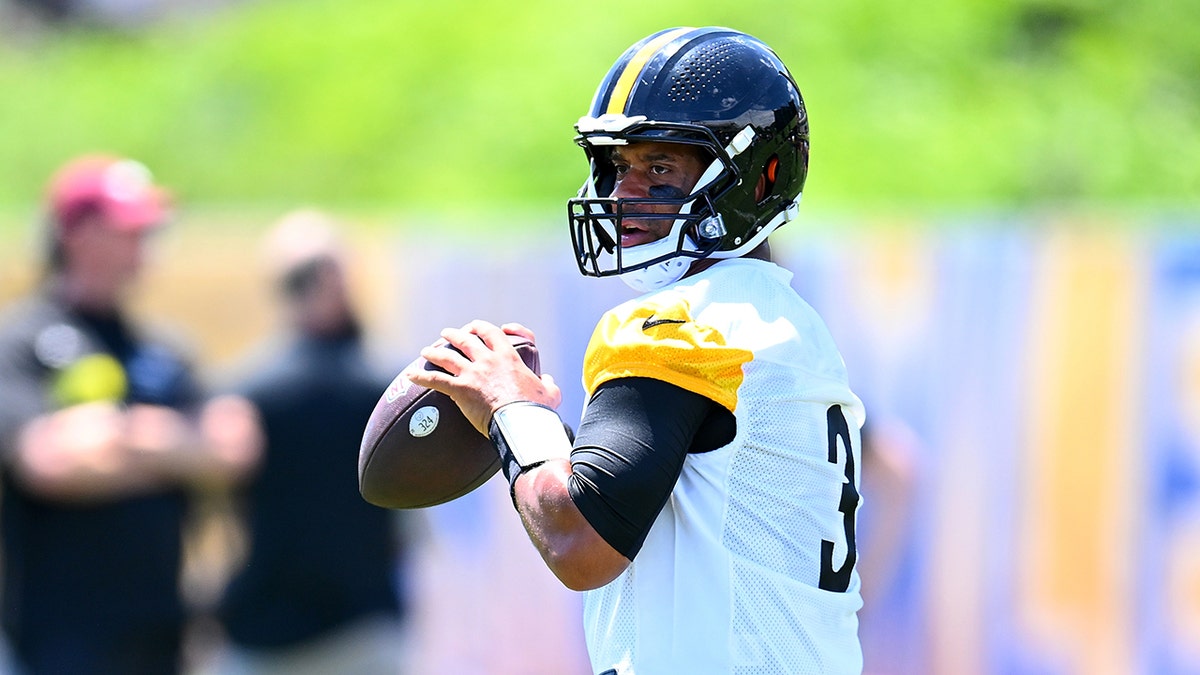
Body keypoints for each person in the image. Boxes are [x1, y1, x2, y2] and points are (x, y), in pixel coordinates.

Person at [407, 26, 866, 674]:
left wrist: (511, 411)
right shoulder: (793, 328)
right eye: (620, 167)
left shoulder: (679, 323)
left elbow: (580, 542)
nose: (622, 195)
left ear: (757, 177)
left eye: (658, 168)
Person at [0, 153, 261, 674]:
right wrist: (175, 443)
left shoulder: (164, 348)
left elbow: (232, 449)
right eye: (127, 228)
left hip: (162, 637)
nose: (144, 241)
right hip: (58, 641)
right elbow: (49, 463)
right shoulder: (22, 340)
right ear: (75, 234)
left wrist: (117, 435)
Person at [212, 209, 409, 674]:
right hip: (357, 624)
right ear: (335, 278)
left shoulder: (248, 389)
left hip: (273, 626)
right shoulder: (392, 387)